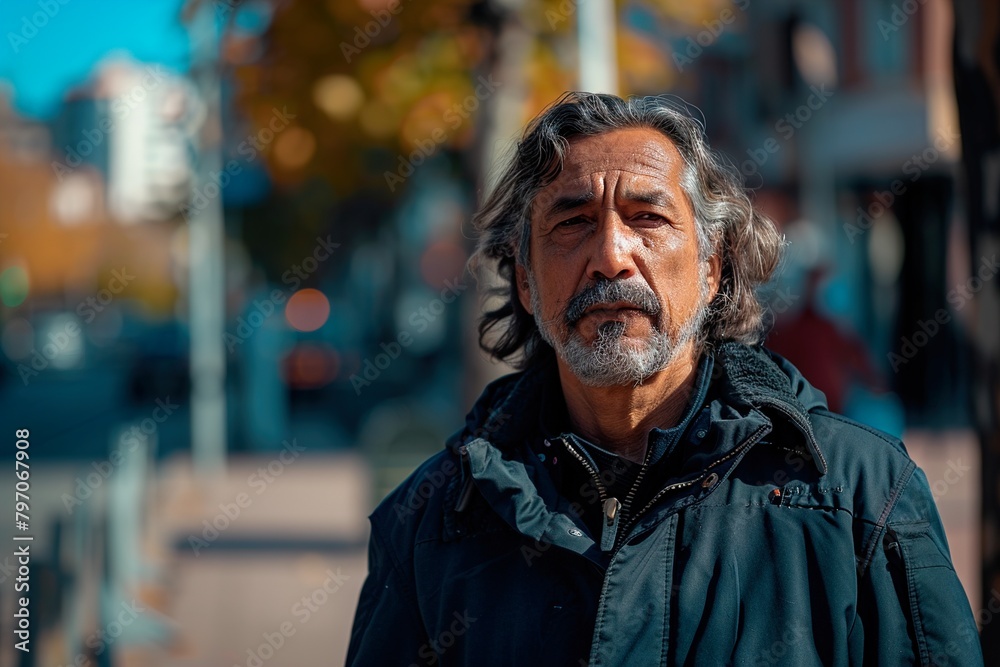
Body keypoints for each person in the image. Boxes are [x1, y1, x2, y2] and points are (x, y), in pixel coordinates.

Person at [346, 93, 983, 666]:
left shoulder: (861, 495)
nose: (610, 255)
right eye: (572, 224)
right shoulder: (430, 520)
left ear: (712, 267)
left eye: (647, 218)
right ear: (524, 279)